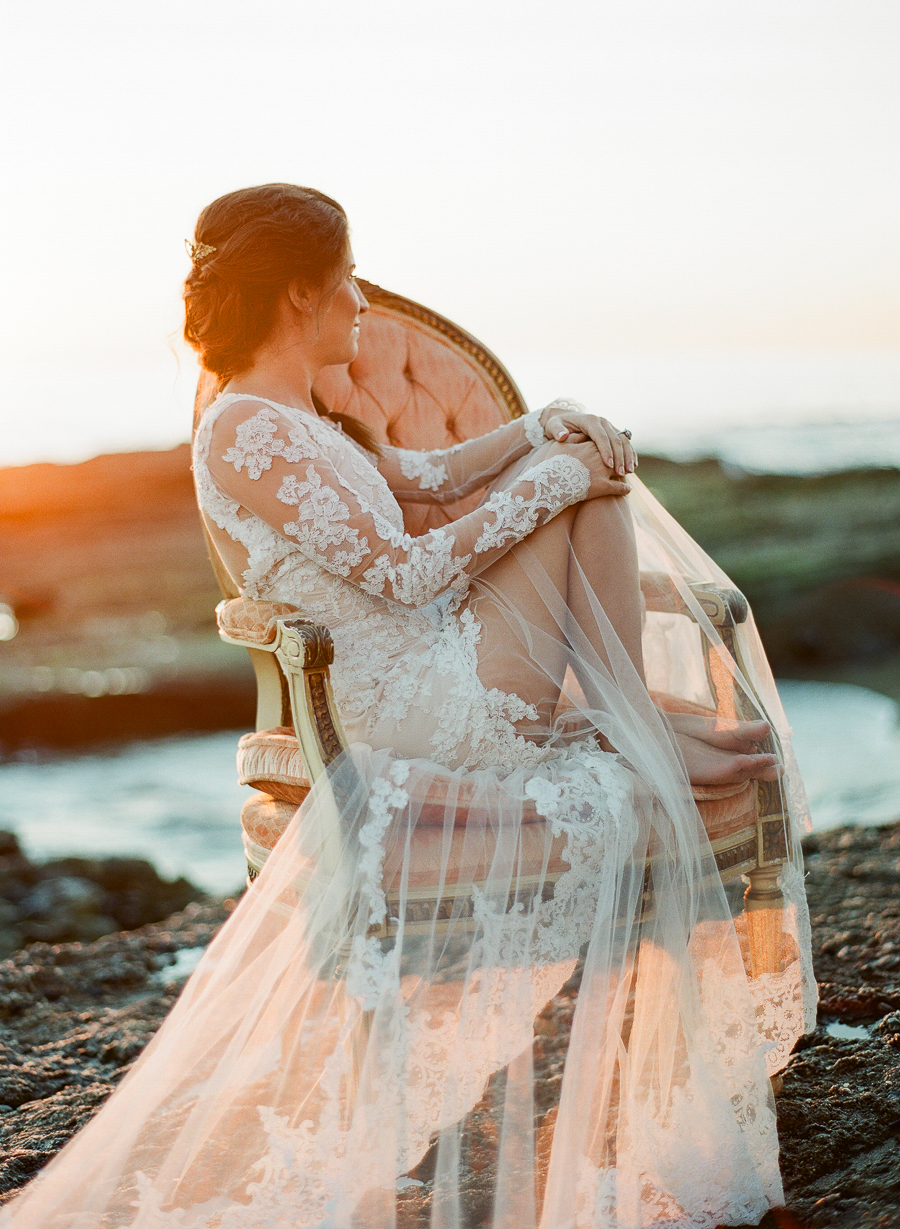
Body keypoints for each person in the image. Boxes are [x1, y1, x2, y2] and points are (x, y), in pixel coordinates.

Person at [1, 184, 815, 1228]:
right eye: (344, 283)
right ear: (299, 293)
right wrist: (554, 483)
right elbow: (402, 574)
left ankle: (637, 720)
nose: (359, 305)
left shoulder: (295, 413)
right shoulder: (247, 431)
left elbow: (425, 480)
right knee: (587, 493)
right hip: (406, 708)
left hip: (434, 672)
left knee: (581, 480)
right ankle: (641, 723)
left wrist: (539, 430)